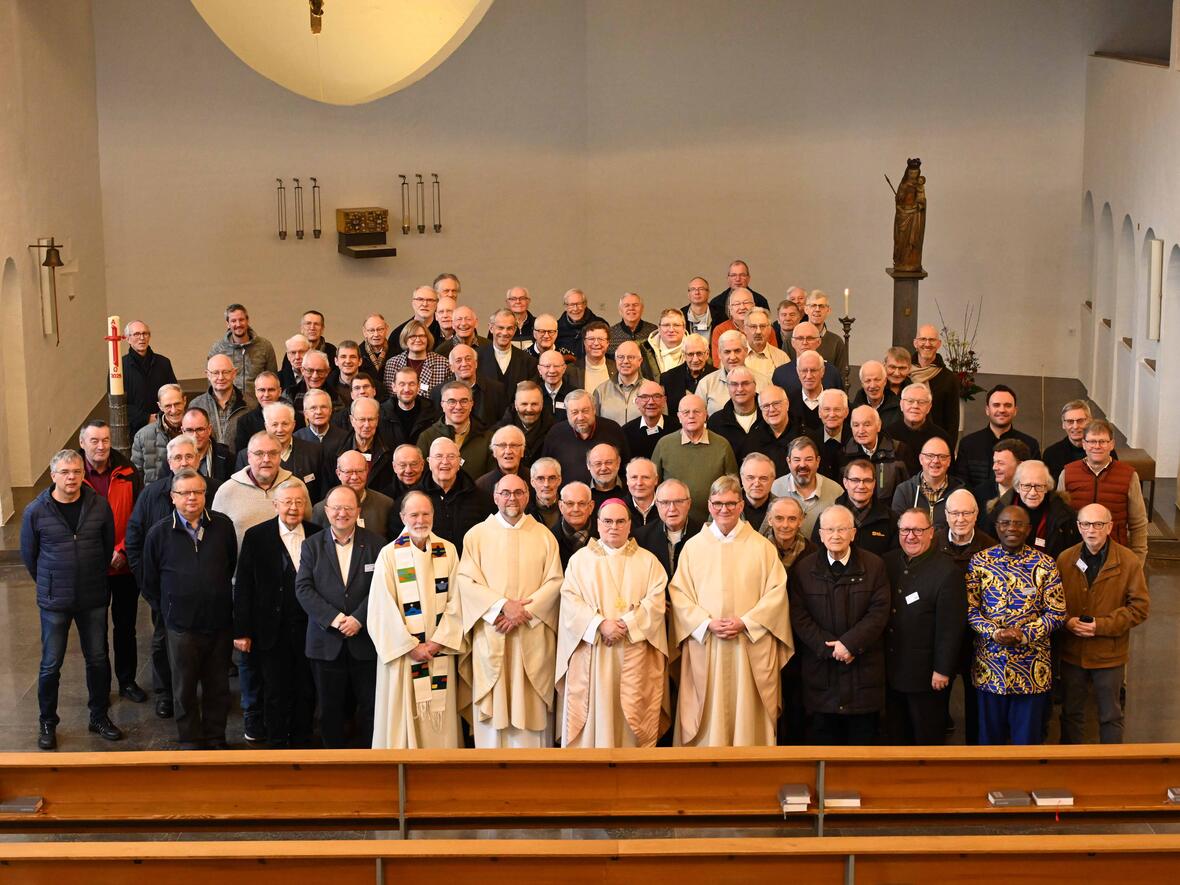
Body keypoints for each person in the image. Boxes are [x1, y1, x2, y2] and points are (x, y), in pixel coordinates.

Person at [669, 475, 792, 746]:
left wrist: (746, 622)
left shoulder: (761, 547)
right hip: (707, 643)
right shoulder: (693, 548)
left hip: (747, 645)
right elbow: (679, 594)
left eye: (730, 503)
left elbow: (776, 594)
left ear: (740, 506)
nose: (724, 509)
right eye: (718, 503)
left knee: (746, 717)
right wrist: (705, 623)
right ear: (710, 506)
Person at [21, 450, 120, 750]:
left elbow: (106, 547)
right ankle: (47, 722)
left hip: (92, 596)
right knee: (51, 664)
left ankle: (99, 716)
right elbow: (29, 556)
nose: (71, 478)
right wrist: (52, 581)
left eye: (77, 471)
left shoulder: (98, 505)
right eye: (65, 472)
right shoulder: (36, 511)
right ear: (53, 476)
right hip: (54, 600)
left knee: (99, 659)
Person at [457, 474, 565, 748]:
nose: (512, 498)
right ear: (495, 497)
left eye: (518, 492)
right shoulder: (477, 535)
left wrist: (523, 613)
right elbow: (465, 582)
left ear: (527, 496)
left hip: (531, 633)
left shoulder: (544, 536)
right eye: (505, 493)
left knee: (530, 708)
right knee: (494, 711)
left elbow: (555, 582)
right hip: (493, 631)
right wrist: (502, 607)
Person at [556, 500, 669, 747]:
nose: (613, 527)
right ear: (597, 524)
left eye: (620, 521)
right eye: (607, 521)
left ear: (630, 525)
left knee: (630, 725)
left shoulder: (648, 562)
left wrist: (627, 624)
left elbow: (656, 602)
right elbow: (570, 601)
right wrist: (599, 624)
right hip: (593, 653)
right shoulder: (580, 560)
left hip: (634, 653)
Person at [141, 469, 237, 749]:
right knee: (183, 687)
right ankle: (190, 739)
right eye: (184, 493)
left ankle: (216, 736)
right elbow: (149, 581)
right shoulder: (158, 533)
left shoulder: (223, 526)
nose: (191, 498)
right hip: (180, 625)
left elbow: (230, 564)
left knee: (218, 685)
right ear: (173, 497)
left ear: (205, 495)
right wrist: (169, 608)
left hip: (219, 622)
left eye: (197, 492)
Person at [368, 492, 466, 749]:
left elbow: (458, 601)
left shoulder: (448, 550)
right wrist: (410, 646)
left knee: (440, 714)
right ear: (402, 517)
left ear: (433, 515)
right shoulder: (389, 555)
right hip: (404, 654)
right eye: (414, 514)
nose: (420, 520)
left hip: (438, 650)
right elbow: (381, 607)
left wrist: (437, 642)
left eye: (426, 514)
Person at [789, 504, 890, 744]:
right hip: (821, 678)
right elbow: (799, 616)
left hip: (863, 678)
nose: (836, 535)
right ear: (821, 534)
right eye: (830, 529)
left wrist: (850, 644)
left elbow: (879, 613)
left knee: (863, 753)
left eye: (842, 529)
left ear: (853, 533)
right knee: (822, 752)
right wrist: (831, 649)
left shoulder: (874, 566)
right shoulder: (804, 569)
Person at [232, 480, 321, 749]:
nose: (293, 508)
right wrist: (242, 630)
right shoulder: (256, 536)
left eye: (298, 502)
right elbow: (244, 585)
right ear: (275, 505)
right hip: (269, 629)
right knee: (274, 689)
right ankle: (277, 744)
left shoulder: (318, 534)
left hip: (309, 627)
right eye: (287, 502)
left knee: (306, 688)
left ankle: (303, 741)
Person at [968, 505, 1065, 745]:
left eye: (1018, 523)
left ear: (1028, 529)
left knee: (1027, 743)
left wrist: (1024, 634)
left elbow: (1057, 612)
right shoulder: (979, 562)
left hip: (1032, 670)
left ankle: (1025, 784)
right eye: (1005, 523)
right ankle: (990, 783)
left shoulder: (1046, 564)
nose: (1012, 527)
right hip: (990, 669)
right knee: (989, 742)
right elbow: (970, 610)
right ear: (996, 527)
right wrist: (995, 632)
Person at [295, 485, 384, 748]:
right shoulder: (311, 545)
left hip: (365, 640)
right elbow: (303, 588)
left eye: (348, 508)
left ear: (358, 511)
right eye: (336, 508)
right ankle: (333, 765)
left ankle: (372, 763)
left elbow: (383, 589)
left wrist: (358, 619)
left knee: (370, 708)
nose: (341, 513)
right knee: (329, 710)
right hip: (326, 641)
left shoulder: (377, 544)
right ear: (327, 511)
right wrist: (335, 619)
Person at [1057, 504, 1150, 744]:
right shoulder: (1066, 559)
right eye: (1085, 524)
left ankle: (1112, 770)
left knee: (1110, 715)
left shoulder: (1128, 561)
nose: (1091, 530)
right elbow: (1053, 603)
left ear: (1109, 527)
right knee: (1071, 713)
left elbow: (1139, 608)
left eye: (1098, 524)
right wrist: (1067, 622)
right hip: (1072, 654)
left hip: (1109, 655)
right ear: (1078, 527)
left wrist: (1101, 625)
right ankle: (1071, 768)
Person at [125, 433, 201, 719]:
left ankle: (195, 692)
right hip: (163, 590)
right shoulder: (151, 494)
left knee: (202, 643)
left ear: (198, 458)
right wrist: (148, 585)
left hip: (202, 590)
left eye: (188, 456)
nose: (183, 462)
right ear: (169, 462)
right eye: (177, 458)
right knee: (162, 643)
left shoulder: (213, 490)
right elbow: (134, 540)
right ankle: (166, 693)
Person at [883, 508, 965, 745]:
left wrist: (942, 669)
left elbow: (950, 628)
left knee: (926, 736)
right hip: (891, 669)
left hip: (926, 675)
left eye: (918, 530)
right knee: (896, 735)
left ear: (931, 533)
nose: (911, 536)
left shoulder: (947, 572)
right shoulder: (888, 562)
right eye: (906, 530)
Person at [78, 419, 145, 704]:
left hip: (124, 565)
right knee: (95, 631)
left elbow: (138, 518)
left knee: (126, 626)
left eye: (105, 440)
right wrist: (101, 553)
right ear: (82, 443)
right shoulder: (73, 474)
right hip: (90, 568)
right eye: (94, 440)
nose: (101, 446)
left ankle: (127, 680)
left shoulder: (129, 471)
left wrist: (123, 550)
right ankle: (100, 688)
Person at [1058, 418, 1148, 564]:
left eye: (1103, 441)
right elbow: (1058, 520)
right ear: (1084, 444)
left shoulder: (1129, 475)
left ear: (1111, 444)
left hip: (1116, 555)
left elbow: (1138, 523)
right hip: (1076, 554)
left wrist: (1138, 560)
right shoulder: (1067, 473)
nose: (1097, 446)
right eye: (1092, 441)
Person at [652, 393, 737, 526]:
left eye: (696, 412)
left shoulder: (722, 445)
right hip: (673, 523)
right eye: (686, 412)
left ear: (705, 415)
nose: (691, 416)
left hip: (713, 524)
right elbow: (653, 485)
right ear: (679, 417)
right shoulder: (664, 444)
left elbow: (733, 486)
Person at [953, 385, 1040, 494]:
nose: (1002, 410)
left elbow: (1035, 481)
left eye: (1008, 405)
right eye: (996, 405)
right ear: (987, 410)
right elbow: (961, 482)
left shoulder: (1030, 445)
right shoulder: (968, 444)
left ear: (1015, 410)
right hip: (976, 507)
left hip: (1016, 507)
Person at [418, 438, 493, 555]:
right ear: (429, 462)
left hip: (470, 568)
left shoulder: (482, 499)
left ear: (459, 463)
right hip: (427, 568)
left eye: (451, 456)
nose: (445, 461)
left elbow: (491, 539)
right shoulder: (413, 499)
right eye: (439, 456)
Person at [990, 460, 1080, 557]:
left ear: (1046, 488)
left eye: (1039, 486)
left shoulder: (1064, 514)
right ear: (1017, 487)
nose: (1033, 493)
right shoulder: (999, 511)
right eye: (1027, 486)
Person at [540, 389, 630, 486]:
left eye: (585, 411)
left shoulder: (613, 429)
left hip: (608, 497)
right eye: (574, 412)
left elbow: (627, 469)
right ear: (567, 413)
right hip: (569, 498)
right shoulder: (555, 433)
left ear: (594, 409)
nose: (580, 417)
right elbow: (545, 470)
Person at [820, 458, 897, 556]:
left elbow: (894, 558)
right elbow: (819, 557)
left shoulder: (891, 519)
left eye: (867, 480)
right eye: (855, 480)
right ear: (845, 483)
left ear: (874, 483)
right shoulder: (827, 518)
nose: (861, 486)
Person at [311, 450, 396, 539]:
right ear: (338, 473)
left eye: (359, 471)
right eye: (348, 472)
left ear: (367, 471)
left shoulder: (386, 505)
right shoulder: (321, 510)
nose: (354, 477)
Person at [207, 302, 278, 409]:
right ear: (228, 324)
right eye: (233, 321)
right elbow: (211, 382)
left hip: (258, 408)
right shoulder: (218, 349)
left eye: (241, 319)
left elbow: (272, 378)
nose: (238, 324)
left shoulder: (264, 346)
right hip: (230, 408)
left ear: (247, 320)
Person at [416, 381, 491, 479]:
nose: (458, 407)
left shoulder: (488, 438)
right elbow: (421, 477)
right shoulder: (427, 437)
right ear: (442, 404)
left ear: (471, 404)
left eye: (464, 401)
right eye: (452, 401)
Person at [769, 436, 842, 537]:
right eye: (796, 459)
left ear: (818, 461)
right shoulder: (774, 489)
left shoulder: (836, 491)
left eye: (808, 459)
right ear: (788, 462)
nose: (802, 465)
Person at [890, 436, 964, 528]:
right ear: (921, 459)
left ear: (949, 461)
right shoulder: (904, 491)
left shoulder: (960, 493)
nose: (936, 461)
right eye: (930, 456)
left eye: (942, 457)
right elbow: (898, 529)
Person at [325, 397, 396, 492]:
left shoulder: (390, 449)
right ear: (352, 420)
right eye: (362, 419)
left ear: (377, 420)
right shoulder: (335, 450)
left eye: (371, 419)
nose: (367, 425)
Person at [122, 320, 178, 434]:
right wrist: (146, 418)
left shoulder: (163, 363)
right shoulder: (120, 367)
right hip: (134, 430)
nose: (142, 338)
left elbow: (174, 393)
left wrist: (160, 417)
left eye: (145, 333)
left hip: (164, 425)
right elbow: (118, 405)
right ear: (127, 338)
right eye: (137, 334)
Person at [844, 404, 910, 502]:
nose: (861, 431)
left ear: (878, 426)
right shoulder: (844, 454)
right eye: (856, 425)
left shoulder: (899, 450)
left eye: (867, 425)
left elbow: (907, 491)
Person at [885, 382, 953, 476]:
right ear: (901, 405)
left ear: (929, 407)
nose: (915, 406)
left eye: (921, 402)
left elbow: (950, 472)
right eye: (910, 401)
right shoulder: (888, 434)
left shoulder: (941, 437)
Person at [636, 478, 699, 578]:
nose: (672, 508)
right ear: (657, 505)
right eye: (665, 502)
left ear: (689, 503)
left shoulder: (703, 534)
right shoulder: (641, 538)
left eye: (678, 501)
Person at [697, 330, 769, 416]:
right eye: (727, 352)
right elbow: (697, 418)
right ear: (719, 354)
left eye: (737, 351)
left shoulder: (764, 382)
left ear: (746, 352)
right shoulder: (706, 384)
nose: (732, 357)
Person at [190, 353, 249, 453]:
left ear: (234, 373)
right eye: (215, 373)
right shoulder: (196, 406)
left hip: (240, 466)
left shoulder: (249, 405)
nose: (221, 377)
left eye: (225, 372)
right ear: (208, 375)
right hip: (207, 465)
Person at [908, 325, 959, 438]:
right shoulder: (905, 373)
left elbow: (952, 422)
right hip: (904, 441)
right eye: (923, 339)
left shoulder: (949, 378)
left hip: (935, 443)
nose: (927, 344)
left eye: (932, 340)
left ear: (939, 344)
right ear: (915, 343)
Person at [381, 320, 453, 398]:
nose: (418, 340)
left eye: (422, 336)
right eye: (413, 336)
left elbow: (447, 396)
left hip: (431, 409)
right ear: (405, 339)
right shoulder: (392, 364)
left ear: (427, 339)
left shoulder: (443, 364)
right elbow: (389, 396)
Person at [131, 383, 186, 483]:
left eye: (177, 404)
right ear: (160, 406)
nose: (173, 410)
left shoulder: (197, 430)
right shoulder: (142, 436)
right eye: (168, 406)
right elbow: (135, 477)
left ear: (184, 401)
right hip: (156, 496)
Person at [706, 366, 764, 460]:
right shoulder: (716, 422)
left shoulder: (769, 416)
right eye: (734, 384)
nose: (740, 389)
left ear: (755, 386)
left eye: (745, 383)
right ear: (728, 388)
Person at [494, 380, 554, 468]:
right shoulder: (497, 434)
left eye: (534, 404)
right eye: (524, 404)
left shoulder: (554, 433)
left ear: (542, 405)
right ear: (516, 405)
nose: (529, 409)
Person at [771, 322, 843, 395]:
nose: (805, 342)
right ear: (792, 343)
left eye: (810, 338)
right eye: (800, 338)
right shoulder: (780, 374)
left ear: (819, 342)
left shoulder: (832, 373)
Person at [379, 365, 442, 446]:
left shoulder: (432, 412)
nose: (407, 389)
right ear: (394, 387)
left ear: (418, 387)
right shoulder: (382, 413)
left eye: (411, 384)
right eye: (402, 384)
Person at [478, 309, 538, 391]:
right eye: (500, 328)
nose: (505, 333)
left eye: (509, 328)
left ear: (515, 330)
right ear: (491, 328)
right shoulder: (477, 358)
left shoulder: (528, 361)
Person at [621, 380, 678, 460]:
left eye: (656, 396)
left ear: (664, 401)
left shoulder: (678, 428)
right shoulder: (626, 432)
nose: (651, 402)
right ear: (637, 402)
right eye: (645, 397)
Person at [660, 332, 713, 417]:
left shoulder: (717, 376)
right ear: (684, 355)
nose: (695, 359)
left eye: (699, 353)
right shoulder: (668, 378)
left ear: (707, 354)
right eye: (690, 354)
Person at [233, 372, 286, 455]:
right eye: (262, 390)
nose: (266, 394)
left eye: (271, 390)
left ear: (279, 391)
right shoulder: (245, 422)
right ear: (256, 392)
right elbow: (242, 457)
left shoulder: (293, 417)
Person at [593, 340, 645, 425]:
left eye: (631, 357)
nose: (625, 361)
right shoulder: (601, 391)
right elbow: (594, 424)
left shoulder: (651, 390)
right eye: (620, 357)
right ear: (615, 360)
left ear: (640, 361)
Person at [1043, 399, 1094, 482]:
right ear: (1063, 424)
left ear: (1090, 421)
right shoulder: (1051, 454)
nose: (1075, 426)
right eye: (1070, 421)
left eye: (1080, 421)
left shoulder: (1103, 451)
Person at [803, 290, 849, 378]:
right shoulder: (793, 340)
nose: (817, 309)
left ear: (828, 310)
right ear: (806, 309)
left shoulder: (836, 342)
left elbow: (841, 376)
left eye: (821, 306)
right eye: (813, 305)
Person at [475, 425, 529, 497]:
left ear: (522, 451)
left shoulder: (536, 480)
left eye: (514, 445)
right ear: (494, 452)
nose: (508, 451)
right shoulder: (481, 486)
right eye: (502, 445)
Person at [551, 481, 596, 566]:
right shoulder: (550, 538)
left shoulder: (604, 538)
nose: (576, 509)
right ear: (561, 506)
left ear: (591, 507)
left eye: (582, 504)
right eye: (570, 504)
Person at [390, 286, 442, 354]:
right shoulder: (398, 334)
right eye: (420, 299)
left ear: (437, 304)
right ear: (413, 303)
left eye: (430, 300)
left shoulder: (443, 331)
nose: (425, 304)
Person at [850, 360, 901, 430]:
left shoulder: (898, 409)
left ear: (885, 381)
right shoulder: (854, 410)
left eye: (877, 380)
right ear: (862, 384)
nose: (873, 385)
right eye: (868, 381)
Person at [555, 288, 604, 361]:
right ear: (565, 307)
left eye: (578, 304)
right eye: (571, 305)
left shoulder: (600, 325)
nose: (575, 309)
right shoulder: (556, 328)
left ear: (585, 304)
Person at [742, 307, 790, 379]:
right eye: (753, 326)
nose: (758, 331)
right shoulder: (735, 356)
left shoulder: (781, 357)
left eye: (762, 326)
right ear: (745, 329)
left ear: (770, 329)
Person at [815, 388, 852, 481]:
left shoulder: (855, 439)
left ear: (846, 412)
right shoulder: (811, 440)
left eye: (837, 409)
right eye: (827, 409)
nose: (832, 414)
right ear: (819, 412)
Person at [640, 308, 686, 379]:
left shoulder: (696, 348)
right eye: (666, 325)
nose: (671, 330)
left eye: (676, 325)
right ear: (659, 328)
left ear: (684, 328)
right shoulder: (643, 349)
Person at [608, 291, 657, 358]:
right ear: (620, 311)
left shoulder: (653, 331)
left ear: (642, 309)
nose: (631, 308)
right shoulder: (610, 333)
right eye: (626, 305)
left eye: (635, 305)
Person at [738, 452, 777, 530]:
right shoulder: (725, 506)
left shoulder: (782, 508)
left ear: (773, 480)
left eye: (763, 478)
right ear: (741, 478)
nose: (756, 484)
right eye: (751, 477)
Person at [537, 348, 581, 415]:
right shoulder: (533, 395)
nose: (552, 371)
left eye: (556, 366)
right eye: (547, 366)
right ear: (539, 369)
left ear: (564, 368)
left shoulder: (575, 395)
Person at [578, 320, 616, 394]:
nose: (596, 343)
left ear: (608, 343)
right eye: (591, 339)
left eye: (601, 339)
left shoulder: (617, 369)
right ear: (584, 342)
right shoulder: (570, 371)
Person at [624, 456, 660, 527]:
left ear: (656, 480)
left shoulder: (668, 507)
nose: (639, 483)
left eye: (645, 477)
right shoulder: (619, 507)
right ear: (627, 480)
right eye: (634, 477)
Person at [586, 443, 625, 508]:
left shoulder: (632, 490)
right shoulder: (581, 492)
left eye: (609, 462)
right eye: (598, 464)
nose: (603, 468)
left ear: (618, 463)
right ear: (588, 465)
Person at [528, 457, 562, 529]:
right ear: (532, 482)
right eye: (540, 479)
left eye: (552, 478)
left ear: (559, 480)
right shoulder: (524, 510)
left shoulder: (569, 505)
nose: (546, 484)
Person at [358, 314, 392, 382]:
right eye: (371, 330)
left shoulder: (396, 353)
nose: (376, 334)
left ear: (387, 330)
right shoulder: (357, 354)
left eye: (380, 329)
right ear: (365, 332)